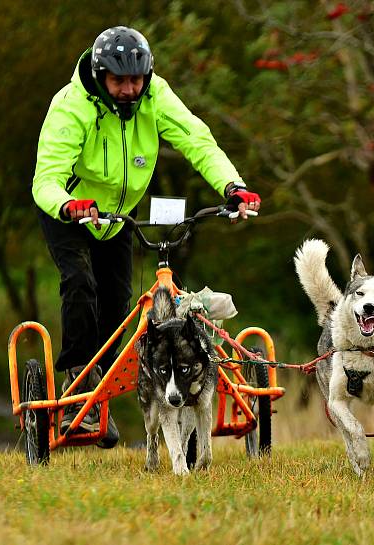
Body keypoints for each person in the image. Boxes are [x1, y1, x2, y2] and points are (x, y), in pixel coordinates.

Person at [32, 26, 261, 448]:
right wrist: (68, 204)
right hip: (68, 210)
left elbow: (196, 139)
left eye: (136, 80)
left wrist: (232, 186)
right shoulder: (70, 107)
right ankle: (76, 389)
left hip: (117, 215)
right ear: (100, 77)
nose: (129, 89)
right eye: (119, 81)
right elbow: (45, 177)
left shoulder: (155, 94)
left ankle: (95, 397)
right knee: (80, 284)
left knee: (117, 304)